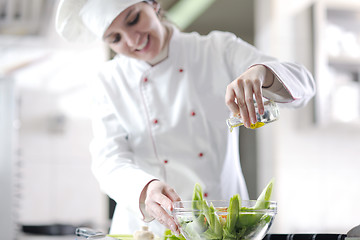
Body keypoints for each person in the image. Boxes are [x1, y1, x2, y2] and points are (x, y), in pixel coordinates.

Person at [55, 0, 316, 237]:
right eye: (115, 38)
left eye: (134, 19)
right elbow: (108, 159)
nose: (133, 40)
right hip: (149, 230)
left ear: (153, 4)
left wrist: (261, 72)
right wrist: (145, 188)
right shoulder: (109, 81)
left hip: (221, 227)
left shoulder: (216, 49)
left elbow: (305, 85)